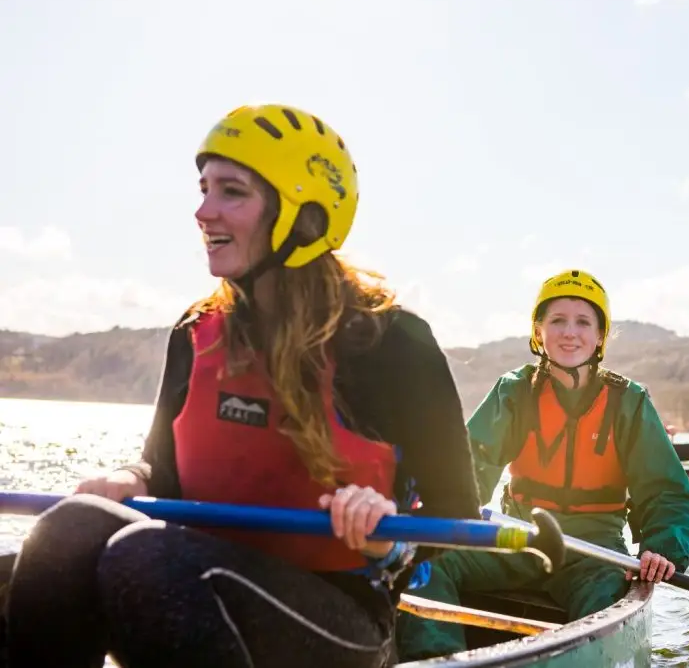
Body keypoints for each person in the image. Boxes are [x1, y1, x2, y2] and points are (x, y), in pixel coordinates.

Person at [0, 104, 482, 668]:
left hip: (338, 618)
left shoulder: (391, 342)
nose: (203, 211)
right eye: (203, 188)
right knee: (68, 528)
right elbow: (162, 474)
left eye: (232, 191)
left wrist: (389, 536)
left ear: (303, 215)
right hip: (182, 584)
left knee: (145, 557)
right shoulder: (194, 333)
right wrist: (128, 476)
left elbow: (459, 515)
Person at [396, 269, 689, 661]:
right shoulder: (515, 391)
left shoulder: (629, 401)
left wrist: (661, 547)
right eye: (557, 320)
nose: (569, 332)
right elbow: (471, 463)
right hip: (520, 536)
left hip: (596, 554)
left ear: (600, 336)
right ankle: (437, 658)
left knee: (609, 602)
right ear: (539, 332)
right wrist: (441, 516)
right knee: (427, 566)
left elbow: (665, 488)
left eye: (583, 322)